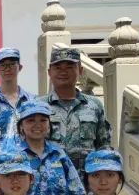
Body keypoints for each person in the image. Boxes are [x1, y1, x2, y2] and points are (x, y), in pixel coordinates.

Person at [15, 101, 85, 195]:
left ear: (49, 125)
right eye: (31, 120)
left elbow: (72, 193)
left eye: (43, 120)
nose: (37, 125)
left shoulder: (59, 154)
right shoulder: (13, 156)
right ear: (21, 126)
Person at [44, 47, 112, 177]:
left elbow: (103, 146)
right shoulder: (39, 106)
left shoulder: (94, 105)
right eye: (58, 67)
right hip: (50, 180)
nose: (63, 72)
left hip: (87, 180)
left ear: (80, 70)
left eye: (70, 67)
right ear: (49, 72)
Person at [0, 47, 32, 150]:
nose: (7, 69)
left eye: (12, 64)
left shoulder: (32, 101)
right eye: (3, 65)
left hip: (28, 159)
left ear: (20, 67)